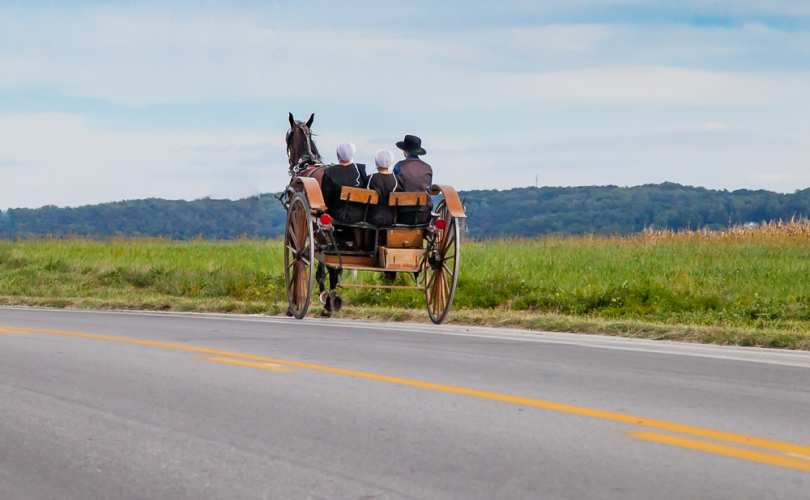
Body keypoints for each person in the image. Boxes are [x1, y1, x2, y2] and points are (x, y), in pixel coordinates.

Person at [320, 143, 368, 224]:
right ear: (352, 154)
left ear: (337, 155)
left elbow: (326, 198)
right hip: (360, 215)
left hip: (337, 214)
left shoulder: (329, 171)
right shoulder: (360, 170)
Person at [392, 134, 432, 224]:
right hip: (424, 215)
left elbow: (394, 187)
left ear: (405, 151)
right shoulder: (428, 168)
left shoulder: (399, 166)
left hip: (403, 215)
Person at [366, 150, 400, 227]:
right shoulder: (396, 180)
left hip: (372, 217)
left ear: (376, 162)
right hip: (391, 218)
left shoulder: (371, 178)